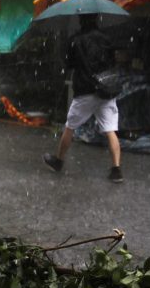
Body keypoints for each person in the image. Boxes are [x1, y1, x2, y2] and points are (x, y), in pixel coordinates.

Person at [43, 14, 123, 183]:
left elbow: (69, 64)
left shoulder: (76, 40)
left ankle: (58, 161)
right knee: (110, 129)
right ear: (96, 20)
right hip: (106, 89)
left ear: (81, 21)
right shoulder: (106, 38)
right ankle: (116, 169)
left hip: (86, 90)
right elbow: (112, 61)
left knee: (70, 126)